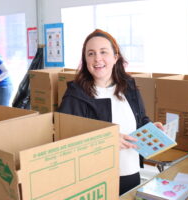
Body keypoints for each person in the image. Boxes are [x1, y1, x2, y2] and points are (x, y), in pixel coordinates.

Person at [58, 29, 164, 195]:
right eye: (91, 53)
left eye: (103, 52)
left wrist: (151, 128)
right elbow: (64, 140)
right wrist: (106, 139)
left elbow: (141, 119)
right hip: (94, 179)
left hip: (130, 171)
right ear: (85, 60)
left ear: (115, 57)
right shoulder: (75, 95)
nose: (97, 58)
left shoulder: (129, 87)